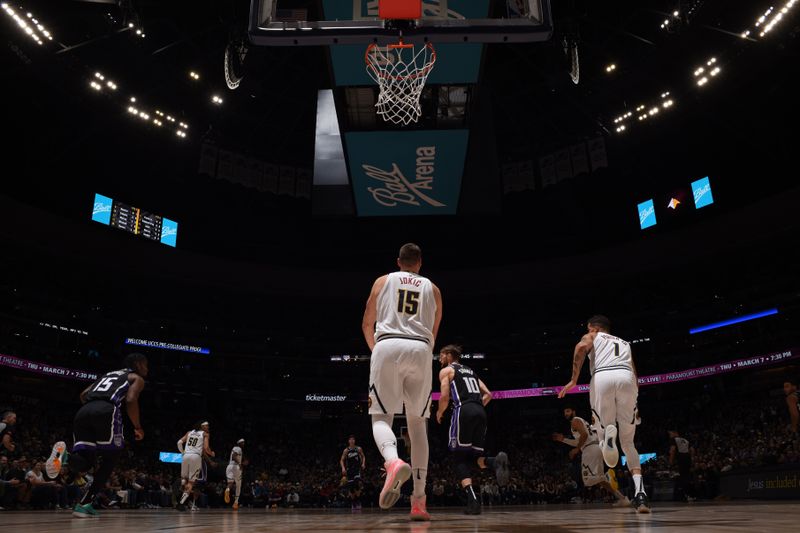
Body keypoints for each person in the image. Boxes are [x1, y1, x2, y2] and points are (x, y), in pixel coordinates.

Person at [362, 243, 442, 521]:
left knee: (380, 417)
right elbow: (434, 330)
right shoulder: (433, 289)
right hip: (421, 349)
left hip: (387, 344)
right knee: (418, 425)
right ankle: (418, 502)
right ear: (420, 262)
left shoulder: (383, 281)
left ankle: (393, 461)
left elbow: (366, 323)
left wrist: (378, 353)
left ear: (399, 261)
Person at [558, 315, 650, 513]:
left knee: (602, 427)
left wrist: (573, 380)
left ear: (592, 327)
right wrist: (635, 403)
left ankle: (606, 436)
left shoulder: (593, 336)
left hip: (603, 376)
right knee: (629, 443)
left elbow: (579, 348)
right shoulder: (625, 343)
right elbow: (635, 376)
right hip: (627, 380)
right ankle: (640, 495)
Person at [48, 353, 147, 518]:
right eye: (145, 364)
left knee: (86, 462)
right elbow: (130, 399)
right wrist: (138, 427)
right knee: (110, 460)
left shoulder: (107, 375)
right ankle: (85, 504)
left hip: (84, 411)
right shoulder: (136, 378)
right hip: (106, 410)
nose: (147, 369)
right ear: (137, 364)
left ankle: (65, 457)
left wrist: (93, 411)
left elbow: (83, 394)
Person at [435, 344, 509, 515]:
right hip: (480, 412)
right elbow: (489, 394)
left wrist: (439, 412)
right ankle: (493, 461)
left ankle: (473, 501)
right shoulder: (471, 371)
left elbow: (445, 396)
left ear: (448, 355)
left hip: (463, 411)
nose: (439, 358)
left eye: (441, 355)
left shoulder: (446, 371)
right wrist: (475, 407)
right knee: (472, 458)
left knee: (458, 459)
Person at [552, 407, 630, 506]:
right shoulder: (582, 421)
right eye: (564, 412)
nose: (566, 414)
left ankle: (608, 476)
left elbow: (584, 435)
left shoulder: (575, 420)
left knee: (589, 480)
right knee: (599, 480)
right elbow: (580, 440)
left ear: (573, 411)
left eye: (568, 411)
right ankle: (622, 498)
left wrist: (576, 450)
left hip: (590, 450)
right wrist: (563, 439)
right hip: (594, 447)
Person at [176, 421, 214, 511]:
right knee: (191, 482)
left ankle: (182, 488)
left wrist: (182, 452)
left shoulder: (189, 432)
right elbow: (206, 448)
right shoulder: (205, 434)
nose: (208, 427)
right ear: (202, 426)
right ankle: (181, 503)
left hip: (185, 456)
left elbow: (179, 442)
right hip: (196, 457)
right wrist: (211, 453)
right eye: (206, 426)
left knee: (184, 478)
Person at [339, 435, 365, 510]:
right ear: (348, 441)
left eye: (353, 439)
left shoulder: (358, 449)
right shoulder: (346, 450)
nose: (352, 441)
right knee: (351, 488)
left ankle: (358, 501)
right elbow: (341, 460)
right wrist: (343, 468)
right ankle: (353, 503)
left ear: (354, 441)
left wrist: (363, 463)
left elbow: (363, 456)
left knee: (357, 483)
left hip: (357, 469)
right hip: (349, 470)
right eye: (350, 439)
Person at [668, 430, 695, 502]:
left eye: (670, 433)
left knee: (682, 477)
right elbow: (692, 450)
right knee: (687, 476)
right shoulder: (686, 440)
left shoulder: (674, 440)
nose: (670, 435)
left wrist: (671, 460)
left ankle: (683, 496)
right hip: (687, 458)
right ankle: (689, 495)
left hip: (680, 458)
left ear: (675, 433)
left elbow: (673, 450)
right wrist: (691, 459)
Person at [225, 438, 245, 510]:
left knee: (230, 483)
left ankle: (227, 490)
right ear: (239, 443)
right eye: (242, 443)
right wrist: (240, 464)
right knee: (238, 485)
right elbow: (234, 457)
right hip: (236, 467)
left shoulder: (234, 448)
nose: (243, 444)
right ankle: (236, 503)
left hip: (229, 467)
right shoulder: (238, 448)